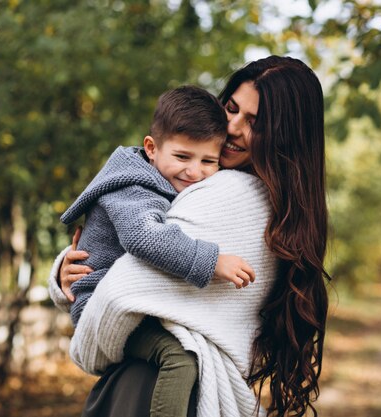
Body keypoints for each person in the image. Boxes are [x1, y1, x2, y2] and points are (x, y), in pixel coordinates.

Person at [49, 55, 331, 417]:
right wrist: (66, 271)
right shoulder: (282, 210)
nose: (231, 127)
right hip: (153, 382)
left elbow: (127, 284)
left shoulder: (231, 193)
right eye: (230, 108)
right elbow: (137, 242)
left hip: (155, 385)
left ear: (284, 135)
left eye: (254, 123)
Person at [54, 85, 255, 417]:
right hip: (98, 305)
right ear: (151, 148)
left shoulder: (168, 179)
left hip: (129, 303)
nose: (195, 171)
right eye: (182, 157)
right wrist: (211, 261)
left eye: (209, 161)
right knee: (179, 358)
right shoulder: (134, 186)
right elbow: (143, 237)